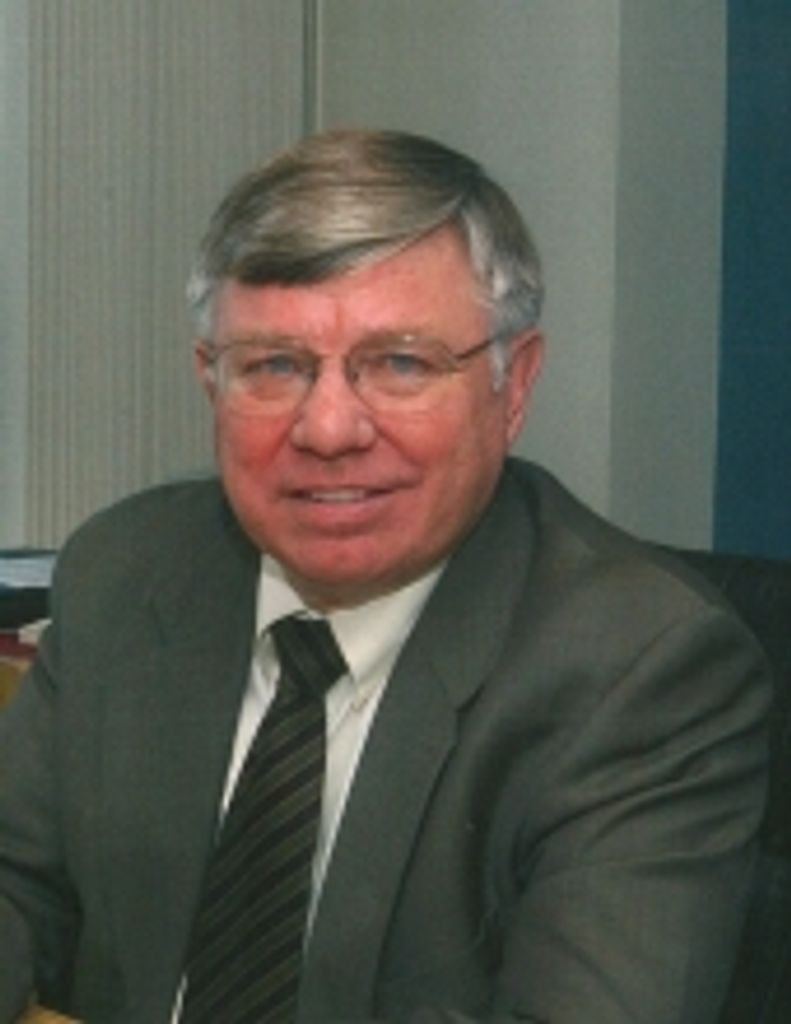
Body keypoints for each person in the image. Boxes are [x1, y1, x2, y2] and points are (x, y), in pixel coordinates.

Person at [0, 129, 771, 1024]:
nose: (328, 429)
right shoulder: (129, 571)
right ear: (211, 381)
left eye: (401, 363)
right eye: (275, 366)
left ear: (514, 385)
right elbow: (17, 882)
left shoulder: (642, 671)